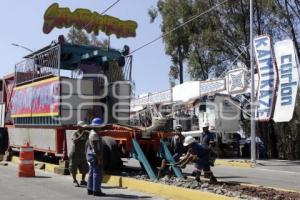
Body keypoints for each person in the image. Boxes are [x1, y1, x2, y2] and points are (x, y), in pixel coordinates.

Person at [86, 117, 106, 196]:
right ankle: (96, 191)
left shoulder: (92, 132)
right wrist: (99, 158)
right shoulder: (94, 134)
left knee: (91, 172)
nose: (101, 128)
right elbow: (95, 148)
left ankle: (90, 189)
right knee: (97, 173)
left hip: (90, 155)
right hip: (94, 156)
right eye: (100, 126)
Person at [68, 121, 89, 187]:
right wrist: (81, 135)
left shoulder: (86, 133)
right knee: (73, 167)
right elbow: (74, 140)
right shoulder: (75, 133)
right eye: (82, 127)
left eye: (84, 127)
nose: (84, 128)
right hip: (75, 153)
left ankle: (83, 180)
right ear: (78, 127)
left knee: (85, 167)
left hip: (82, 153)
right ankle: (75, 180)